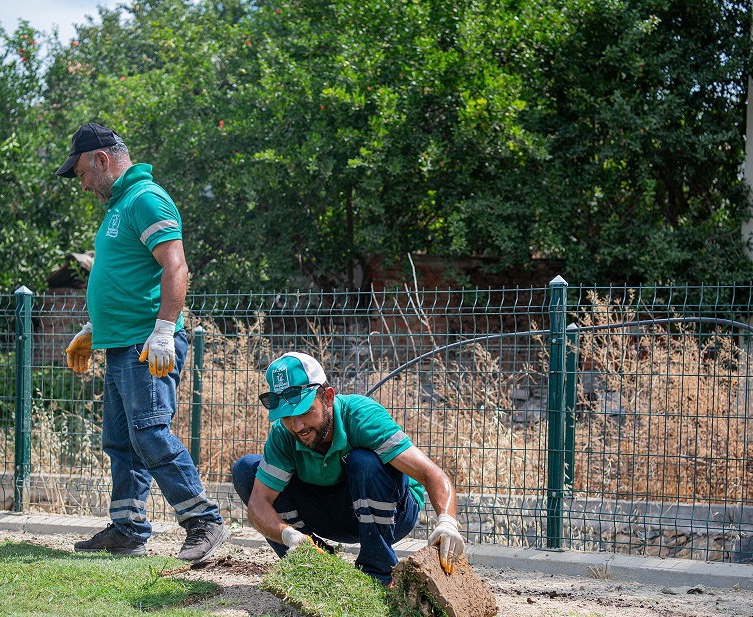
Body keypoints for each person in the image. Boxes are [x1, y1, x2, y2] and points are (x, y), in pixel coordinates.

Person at [55, 123, 228, 562]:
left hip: (146, 346)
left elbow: (175, 266)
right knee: (120, 440)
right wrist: (95, 329)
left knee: (149, 432)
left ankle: (203, 520)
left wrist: (165, 329)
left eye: (80, 172)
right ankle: (128, 528)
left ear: (102, 159)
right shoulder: (120, 206)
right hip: (121, 344)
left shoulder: (146, 199)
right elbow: (126, 281)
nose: (82, 183)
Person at [231, 352, 465, 584]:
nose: (297, 425)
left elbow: (432, 474)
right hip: (330, 511)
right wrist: (288, 535)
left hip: (393, 511)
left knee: (363, 461)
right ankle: (313, 566)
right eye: (286, 416)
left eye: (304, 411)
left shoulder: (362, 416)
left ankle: (378, 573)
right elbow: (258, 503)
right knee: (246, 470)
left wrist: (447, 522)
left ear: (328, 397)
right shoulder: (284, 435)